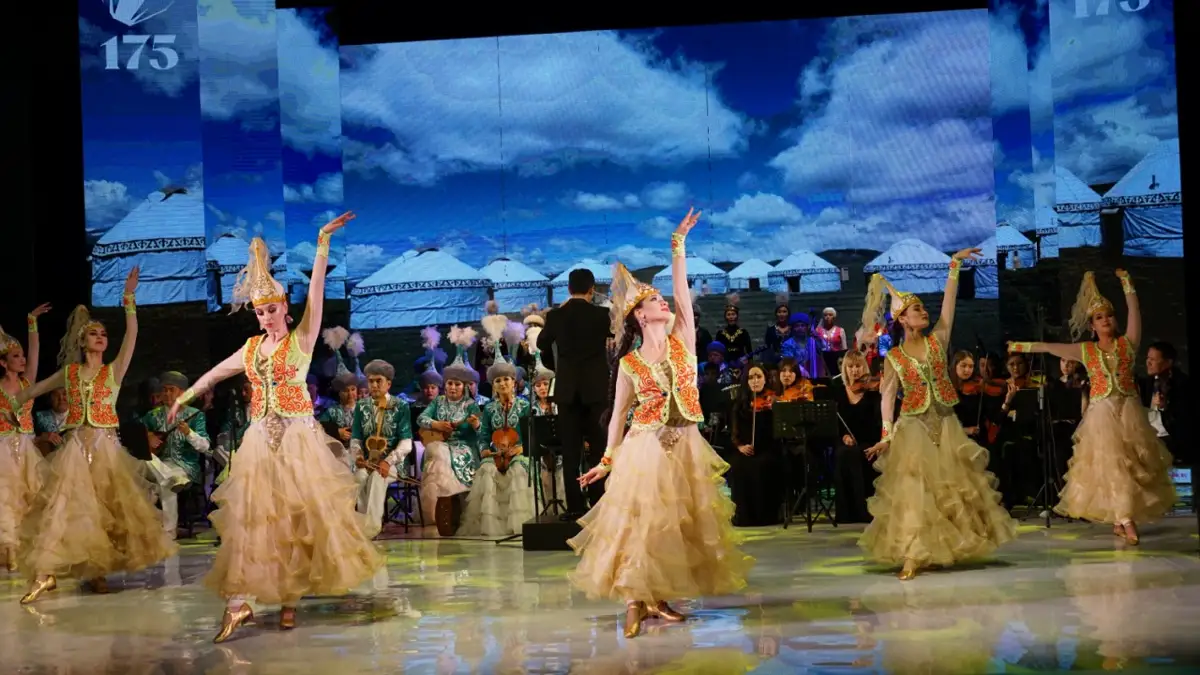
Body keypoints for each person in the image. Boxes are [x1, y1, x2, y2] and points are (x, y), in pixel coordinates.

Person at [168, 215, 382, 642]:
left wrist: (322, 243)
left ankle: (289, 599)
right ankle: (242, 601)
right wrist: (182, 397)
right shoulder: (250, 349)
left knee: (299, 520)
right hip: (260, 443)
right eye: (260, 311)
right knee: (258, 521)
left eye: (271, 309)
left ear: (284, 307)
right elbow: (215, 374)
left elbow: (316, 294)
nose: (266, 317)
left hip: (299, 441)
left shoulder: (300, 340)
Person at [570, 208, 752, 638]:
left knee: (676, 527)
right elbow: (618, 415)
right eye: (653, 300)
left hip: (686, 444)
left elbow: (682, 293)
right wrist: (607, 460)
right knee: (643, 524)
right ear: (639, 314)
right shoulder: (630, 363)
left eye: (660, 298)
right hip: (646, 447)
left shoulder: (682, 340)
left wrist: (678, 244)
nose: (662, 302)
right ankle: (635, 600)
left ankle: (660, 598)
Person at [13, 268, 178, 603]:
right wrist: (10, 408)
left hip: (105, 449)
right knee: (65, 509)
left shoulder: (113, 371)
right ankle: (46, 575)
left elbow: (131, 336)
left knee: (107, 511)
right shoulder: (70, 373)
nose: (101, 337)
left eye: (103, 334)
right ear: (82, 341)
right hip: (75, 449)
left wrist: (128, 299)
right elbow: (31, 392)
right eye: (94, 334)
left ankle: (98, 571)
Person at [856, 250, 1016, 581]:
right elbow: (887, 398)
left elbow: (948, 305)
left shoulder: (937, 341)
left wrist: (954, 266)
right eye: (917, 309)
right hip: (913, 427)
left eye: (923, 308)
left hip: (945, 424)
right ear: (903, 319)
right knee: (915, 492)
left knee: (954, 489)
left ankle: (950, 546)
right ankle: (912, 554)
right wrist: (887, 436)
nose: (924, 311)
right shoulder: (894, 357)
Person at [1008, 270, 1175, 544]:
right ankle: (1126, 520)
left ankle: (1121, 518)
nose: (1105, 320)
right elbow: (1051, 347)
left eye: (1108, 315)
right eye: (1099, 317)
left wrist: (1127, 284)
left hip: (1129, 411)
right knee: (1112, 466)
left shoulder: (1128, 344)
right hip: (1102, 416)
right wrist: (1022, 346)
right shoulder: (1086, 350)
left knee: (1132, 466)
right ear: (1092, 326)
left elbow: (1135, 314)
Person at [537, 267, 612, 521]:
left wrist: (555, 364)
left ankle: (575, 507)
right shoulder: (602, 315)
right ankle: (599, 503)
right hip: (596, 390)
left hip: (567, 391)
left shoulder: (556, 316)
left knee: (571, 451)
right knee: (598, 449)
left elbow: (541, 344)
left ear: (568, 289)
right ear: (592, 289)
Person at [459, 329, 535, 537]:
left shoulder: (524, 405)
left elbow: (532, 435)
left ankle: (519, 523)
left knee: (518, 469)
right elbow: (484, 435)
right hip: (496, 455)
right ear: (493, 385)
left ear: (514, 382)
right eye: (498, 381)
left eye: (506, 379)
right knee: (487, 469)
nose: (502, 384)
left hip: (519, 454)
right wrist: (485, 450)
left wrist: (520, 449)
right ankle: (492, 525)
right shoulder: (489, 408)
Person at [0, 304, 51, 570]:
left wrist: (32, 322)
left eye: (21, 356)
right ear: (3, 362)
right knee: (7, 498)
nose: (22, 360)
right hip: (3, 448)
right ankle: (9, 550)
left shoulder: (26, 383)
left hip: (27, 446)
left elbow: (35, 354)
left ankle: (29, 547)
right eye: (16, 356)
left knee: (32, 494)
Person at [142, 370, 211, 539]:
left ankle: (166, 532)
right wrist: (147, 436)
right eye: (164, 389)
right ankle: (150, 530)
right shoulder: (152, 416)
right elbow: (136, 436)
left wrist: (189, 433)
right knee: (145, 462)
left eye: (171, 389)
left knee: (161, 486)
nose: (166, 393)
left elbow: (205, 446)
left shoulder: (194, 415)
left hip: (184, 466)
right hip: (159, 465)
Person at [350, 359, 412, 538]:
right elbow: (356, 438)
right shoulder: (361, 406)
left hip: (393, 463)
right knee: (359, 477)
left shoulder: (401, 406)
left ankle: (372, 528)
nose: (374, 385)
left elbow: (406, 442)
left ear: (388, 383)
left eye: (379, 381)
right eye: (371, 381)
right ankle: (362, 524)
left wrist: (388, 461)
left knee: (378, 477)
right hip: (368, 461)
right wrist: (358, 456)